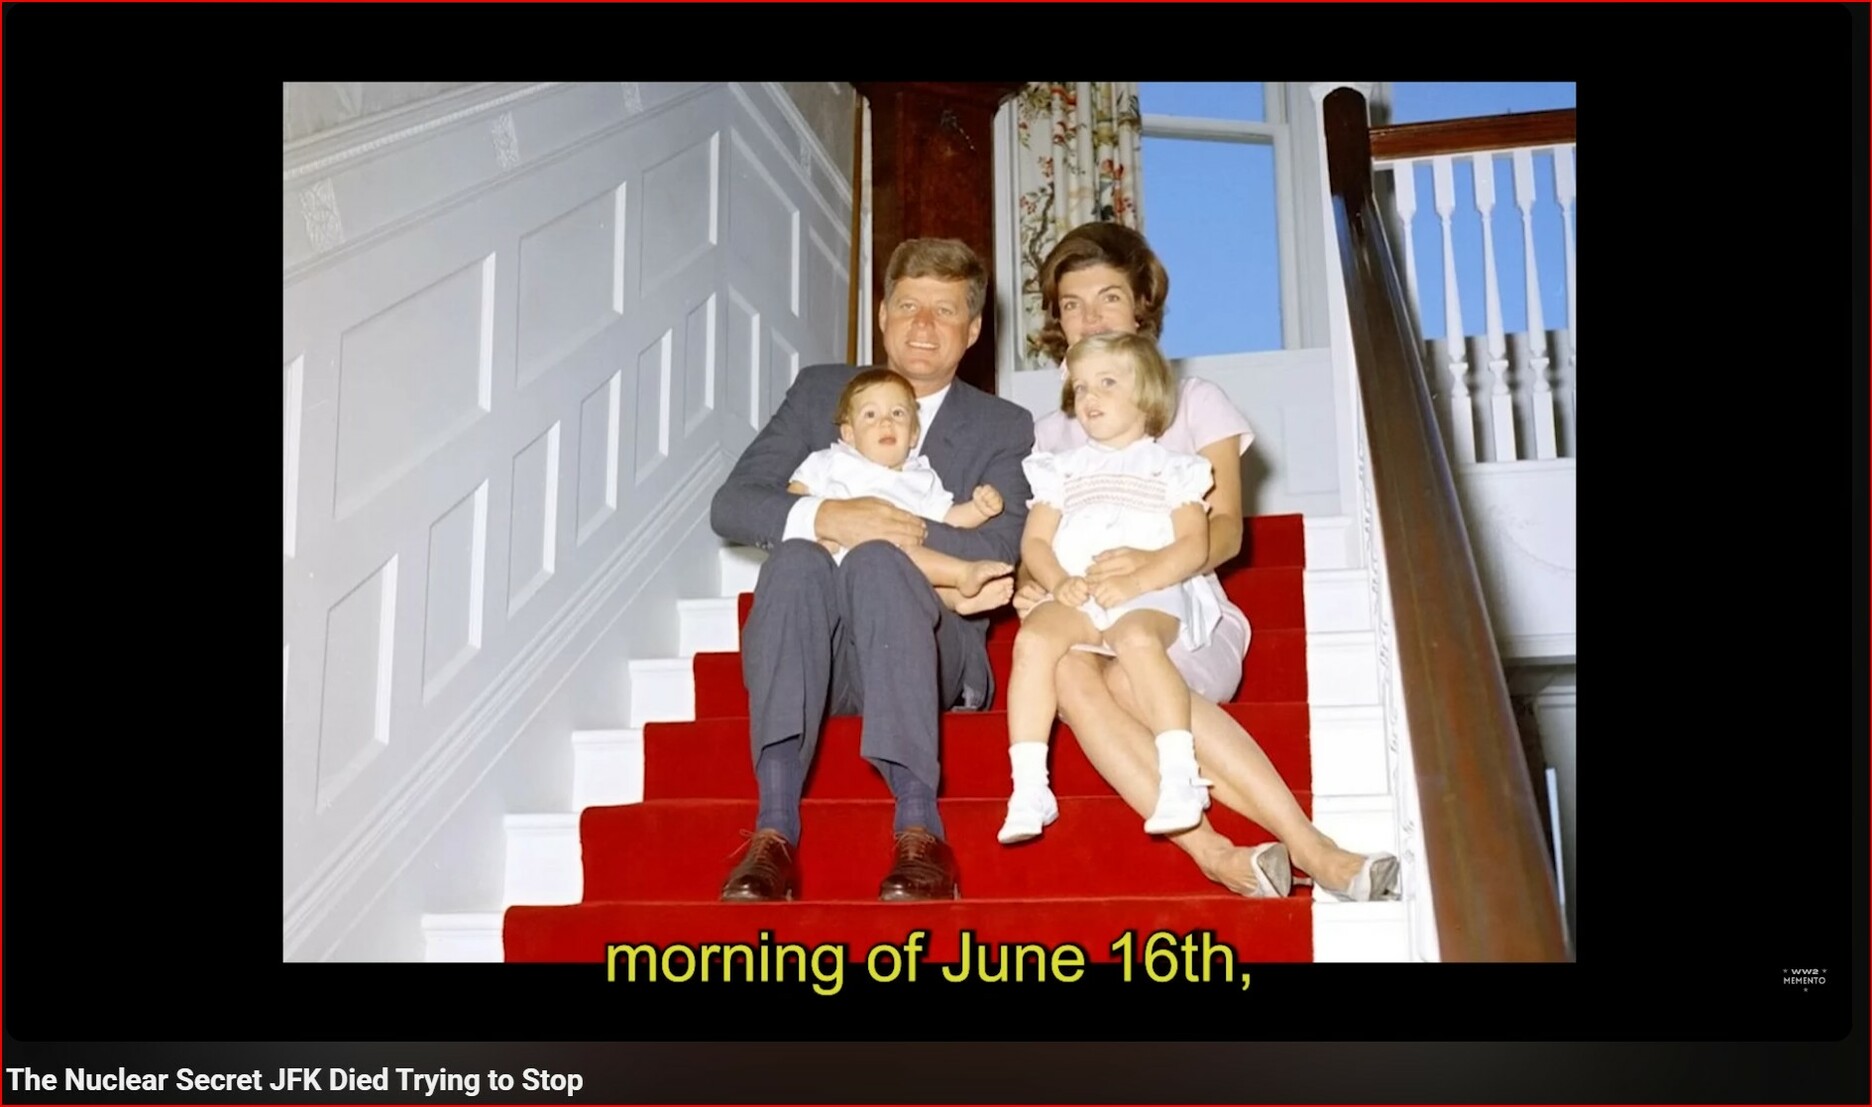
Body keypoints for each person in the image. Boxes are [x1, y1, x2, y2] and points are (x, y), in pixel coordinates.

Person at [1015, 220, 1399, 902]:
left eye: (1108, 298)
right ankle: (1215, 854)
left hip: (1180, 611)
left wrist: (1150, 564)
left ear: (1142, 308)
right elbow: (1042, 543)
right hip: (1086, 616)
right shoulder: (1051, 434)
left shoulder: (1195, 402)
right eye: (1072, 305)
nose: (1090, 318)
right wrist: (1030, 586)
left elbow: (1224, 533)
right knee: (1068, 668)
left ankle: (1314, 848)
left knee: (1130, 673)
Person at [708, 237, 1035, 903]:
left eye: (945, 311)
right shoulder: (820, 392)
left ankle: (920, 830)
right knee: (795, 556)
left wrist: (882, 525)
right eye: (908, 306)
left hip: (929, 644)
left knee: (879, 561)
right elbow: (734, 503)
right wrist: (829, 515)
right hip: (820, 648)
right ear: (882, 314)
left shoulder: (1002, 424)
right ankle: (773, 833)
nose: (923, 326)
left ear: (973, 330)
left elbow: (999, 546)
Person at [999, 333, 1223, 846]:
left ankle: (1179, 775)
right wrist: (1059, 581)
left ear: (1145, 393)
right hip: (1081, 591)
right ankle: (1030, 786)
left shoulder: (1174, 469)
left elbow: (1193, 545)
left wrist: (1137, 581)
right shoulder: (1062, 469)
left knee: (1136, 640)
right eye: (1080, 387)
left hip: (1149, 590)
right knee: (1033, 640)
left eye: (1106, 383)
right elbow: (1035, 542)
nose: (1089, 397)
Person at [787, 367, 1013, 605]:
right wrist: (813, 533)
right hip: (831, 564)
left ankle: (956, 590)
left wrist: (978, 509)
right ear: (849, 433)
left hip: (890, 572)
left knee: (906, 552)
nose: (886, 422)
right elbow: (792, 502)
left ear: (913, 435)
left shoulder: (921, 477)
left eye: (897, 413)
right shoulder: (830, 461)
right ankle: (959, 582)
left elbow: (948, 518)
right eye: (870, 414)